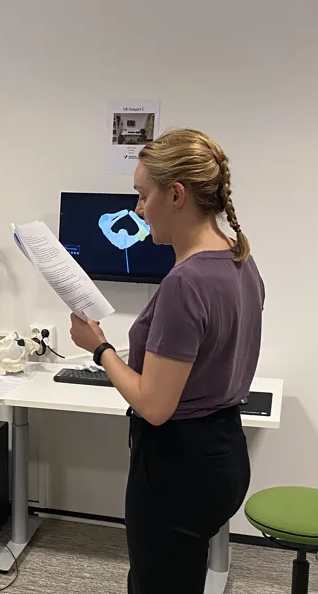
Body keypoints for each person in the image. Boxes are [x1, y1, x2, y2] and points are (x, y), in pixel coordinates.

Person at [70, 128, 264, 593]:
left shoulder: (186, 283)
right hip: (222, 452)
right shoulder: (239, 259)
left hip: (178, 466)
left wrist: (99, 348)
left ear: (176, 195)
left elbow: (154, 405)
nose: (137, 210)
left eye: (143, 195)